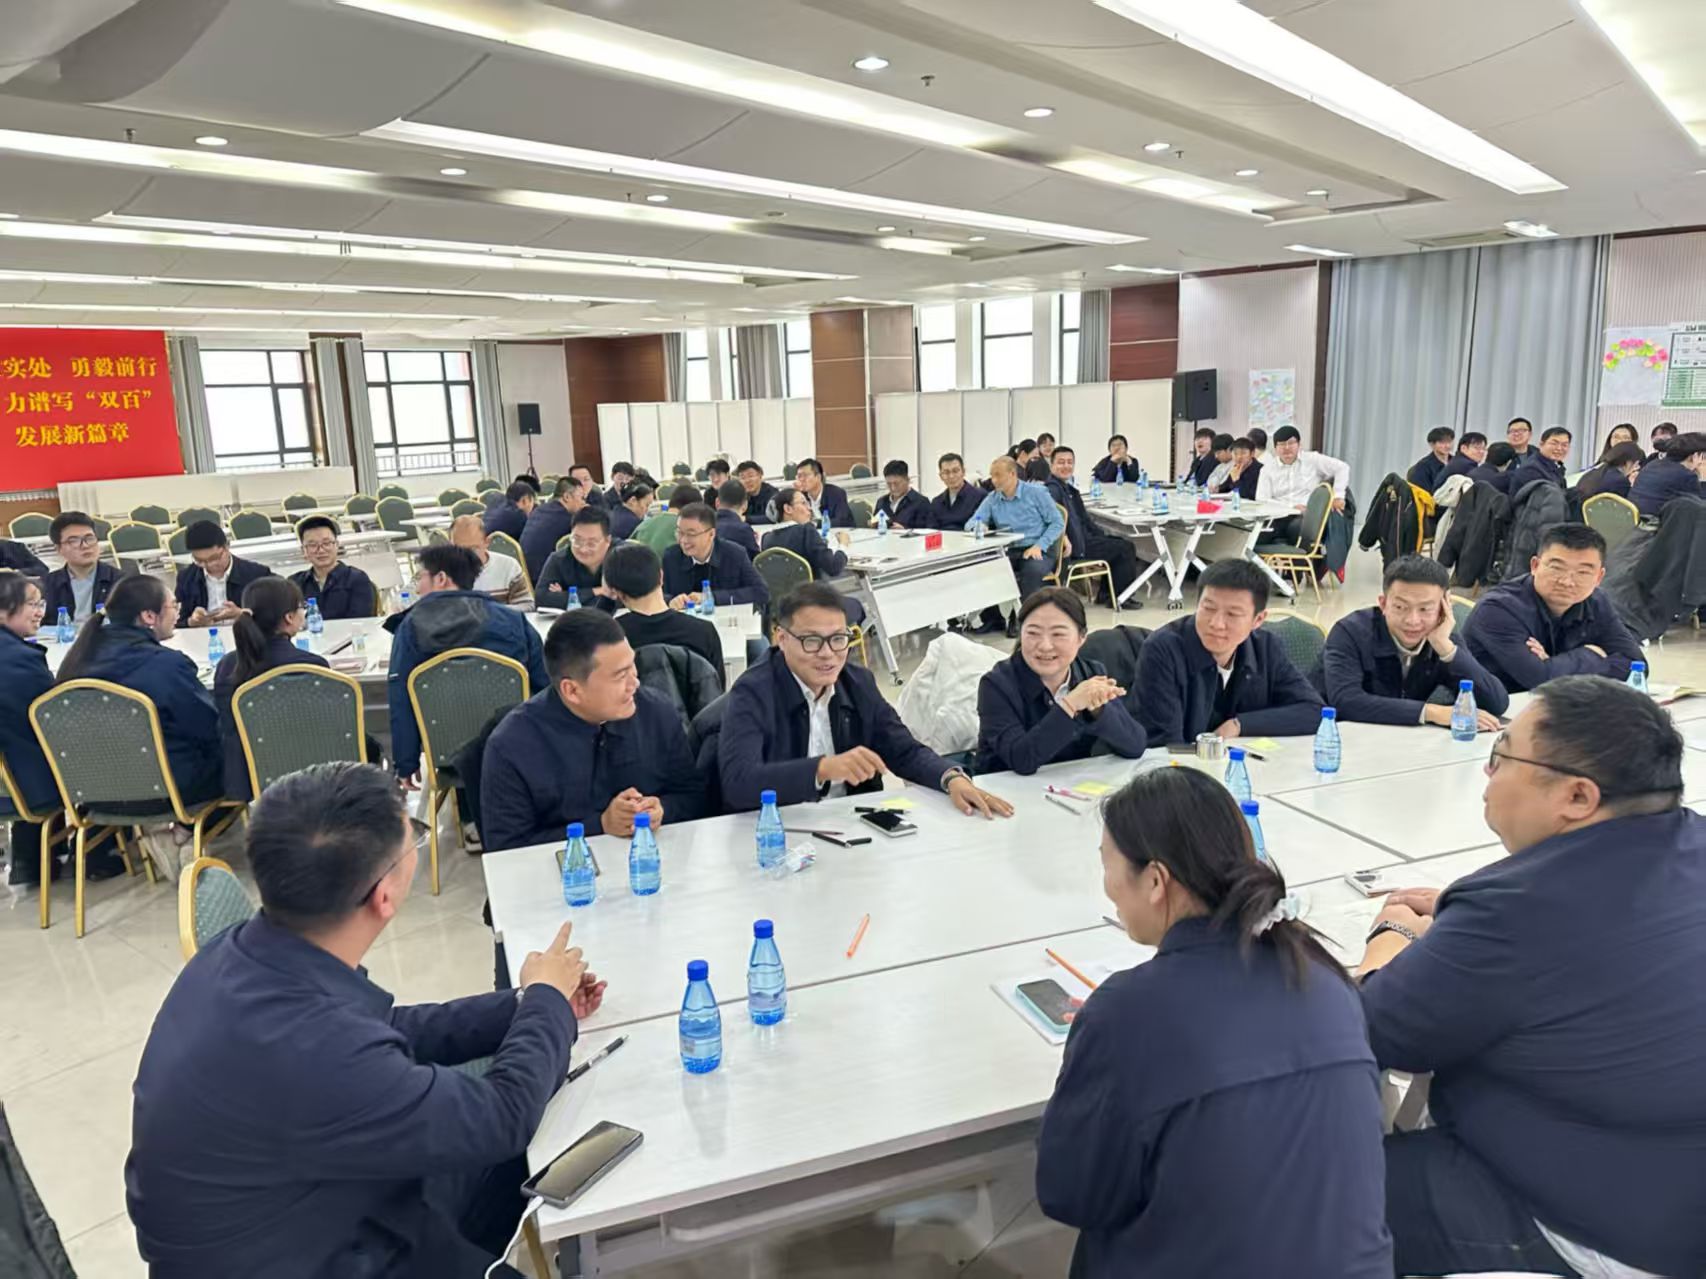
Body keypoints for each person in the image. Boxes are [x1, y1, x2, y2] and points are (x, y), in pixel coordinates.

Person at [126, 762, 604, 1278]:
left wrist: (524, 1003)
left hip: (304, 1209)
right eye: (413, 837)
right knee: (528, 1120)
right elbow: (501, 1117)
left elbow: (384, 1029)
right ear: (385, 894)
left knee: (538, 1116)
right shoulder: (320, 1050)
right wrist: (546, 1002)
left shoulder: (241, 953)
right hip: (314, 1252)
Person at [1356, 678, 1706, 1278]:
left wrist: (1390, 938)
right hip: (1674, 1191)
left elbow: (1362, 1030)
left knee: (1292, 1186)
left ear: (1577, 796)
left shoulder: (1512, 911)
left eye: (1502, 756)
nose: (1487, 772)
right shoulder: (1691, 840)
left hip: (1597, 1224)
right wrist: (1460, 923)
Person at [1038, 767, 1392, 1279]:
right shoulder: (1325, 979)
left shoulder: (1125, 1013)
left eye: (1107, 866)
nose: (1108, 888)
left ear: (1155, 881)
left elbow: (1071, 1194)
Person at [719, 583, 1013, 816]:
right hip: (779, 828)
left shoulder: (857, 683)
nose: (827, 654)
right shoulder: (753, 692)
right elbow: (738, 783)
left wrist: (950, 778)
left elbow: (903, 750)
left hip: (851, 822)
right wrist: (821, 769)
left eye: (838, 639)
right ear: (781, 639)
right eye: (811, 641)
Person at [480, 610, 704, 851]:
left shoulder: (657, 712)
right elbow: (506, 849)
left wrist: (661, 810)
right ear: (572, 690)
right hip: (565, 871)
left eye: (633, 666)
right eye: (620, 675)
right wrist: (600, 826)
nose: (635, 683)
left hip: (653, 861)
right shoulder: (513, 746)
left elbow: (693, 797)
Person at [386, 545, 548, 788]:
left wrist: (405, 762)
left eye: (421, 577)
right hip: (514, 747)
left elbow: (400, 695)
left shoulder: (410, 627)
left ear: (441, 578)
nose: (418, 588)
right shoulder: (514, 621)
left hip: (447, 754)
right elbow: (545, 685)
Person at [57, 573, 223, 806]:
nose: (178, 613)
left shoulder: (78, 661)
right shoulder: (165, 665)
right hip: (166, 791)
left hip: (94, 793)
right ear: (148, 616)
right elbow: (207, 728)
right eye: (173, 606)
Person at [0, 571, 119, 885]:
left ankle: (30, 860)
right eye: (31, 604)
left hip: (7, 780)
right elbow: (57, 721)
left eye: (41, 603)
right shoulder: (19, 660)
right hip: (28, 783)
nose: (39, 612)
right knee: (106, 749)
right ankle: (97, 853)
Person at [1134, 558, 1322, 743]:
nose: (1216, 623)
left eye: (1232, 614)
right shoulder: (1163, 650)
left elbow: (1314, 711)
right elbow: (1165, 745)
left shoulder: (1265, 648)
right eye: (1208, 608)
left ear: (1258, 620)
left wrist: (1239, 725)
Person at [1320, 556, 1506, 729]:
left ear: (1443, 609)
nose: (1412, 620)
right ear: (1383, 604)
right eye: (1400, 607)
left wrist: (1446, 649)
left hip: (1405, 741)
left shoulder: (1442, 638)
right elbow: (1346, 701)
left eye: (1425, 609)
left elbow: (1496, 703)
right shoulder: (1349, 632)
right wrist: (1430, 712)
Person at [975, 587, 1146, 774]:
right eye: (1033, 633)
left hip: (1069, 785)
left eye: (1058, 634)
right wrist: (1071, 704)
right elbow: (1022, 759)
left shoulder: (1090, 673)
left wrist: (1098, 710)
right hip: (1002, 787)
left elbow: (1136, 745)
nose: (1045, 646)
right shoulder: (996, 685)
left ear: (1081, 638)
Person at [1460, 523, 1644, 693]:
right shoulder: (1497, 610)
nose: (1567, 582)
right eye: (1557, 568)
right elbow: (1538, 679)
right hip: (1487, 710)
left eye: (1583, 572)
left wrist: (1552, 664)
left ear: (1599, 577)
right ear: (1535, 566)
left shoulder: (1596, 601)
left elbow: (1636, 666)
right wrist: (1591, 654)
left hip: (1559, 704)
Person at [213, 576, 328, 800]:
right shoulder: (311, 665)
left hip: (251, 780)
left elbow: (227, 727)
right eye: (301, 607)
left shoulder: (227, 665)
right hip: (313, 777)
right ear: (289, 617)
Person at [603, 542, 725, 686]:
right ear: (661, 576)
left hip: (636, 701)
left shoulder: (612, 637)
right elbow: (717, 688)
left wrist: (605, 599)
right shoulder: (703, 631)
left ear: (616, 592)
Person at [968, 456, 1065, 637]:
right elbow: (971, 522)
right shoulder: (993, 498)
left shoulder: (1036, 493)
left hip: (1038, 547)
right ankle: (994, 618)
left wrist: (1040, 545)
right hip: (1009, 549)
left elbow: (1057, 523)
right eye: (992, 475)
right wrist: (980, 526)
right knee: (987, 569)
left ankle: (1024, 619)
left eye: (998, 475)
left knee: (1031, 571)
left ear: (1012, 474)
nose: (993, 480)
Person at [1044, 445, 1138, 597]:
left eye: (1070, 462)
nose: (1066, 466)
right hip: (1076, 546)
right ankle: (1122, 597)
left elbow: (1085, 520)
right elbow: (1052, 520)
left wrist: (1102, 536)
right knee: (1125, 548)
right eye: (1061, 462)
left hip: (1083, 539)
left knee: (1118, 542)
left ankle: (1107, 595)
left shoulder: (1069, 490)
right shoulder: (1052, 490)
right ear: (1051, 465)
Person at [660, 503, 769, 610]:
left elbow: (761, 592)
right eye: (680, 533)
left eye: (691, 534)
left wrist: (711, 597)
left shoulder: (734, 554)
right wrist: (670, 601)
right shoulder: (671, 557)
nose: (683, 540)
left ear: (711, 534)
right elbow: (658, 594)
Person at [1253, 426, 1350, 542]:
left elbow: (1342, 468)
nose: (1287, 448)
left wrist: (1338, 496)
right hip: (1278, 516)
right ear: (1275, 448)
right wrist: (1290, 507)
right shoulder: (1267, 469)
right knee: (1253, 536)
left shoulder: (1312, 459)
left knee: (1297, 529)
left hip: (1305, 516)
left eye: (1291, 443)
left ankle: (1299, 553)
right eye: (1282, 444)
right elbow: (1262, 499)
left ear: (1299, 445)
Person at [175, 520, 274, 627]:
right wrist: (191, 622)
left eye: (214, 558)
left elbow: (275, 614)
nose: (209, 565)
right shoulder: (186, 578)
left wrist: (242, 615)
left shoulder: (256, 574)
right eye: (200, 561)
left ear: (227, 547)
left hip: (246, 634)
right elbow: (175, 621)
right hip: (203, 634)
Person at [41, 510, 125, 621]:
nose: (85, 546)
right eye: (74, 541)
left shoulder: (120, 582)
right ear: (59, 549)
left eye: (89, 538)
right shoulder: (47, 585)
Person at [535, 508, 619, 613]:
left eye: (591, 543)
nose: (583, 549)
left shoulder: (622, 557)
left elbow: (628, 599)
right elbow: (541, 599)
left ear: (608, 540)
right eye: (577, 541)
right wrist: (597, 591)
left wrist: (569, 597)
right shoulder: (559, 559)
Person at [290, 516, 376, 620]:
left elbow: (362, 622)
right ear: (303, 550)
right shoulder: (294, 584)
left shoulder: (357, 580)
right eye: (312, 545)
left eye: (326, 543)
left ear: (337, 545)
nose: (321, 550)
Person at [450, 515, 533, 609]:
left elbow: (527, 605)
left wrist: (493, 612)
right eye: (459, 549)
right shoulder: (442, 572)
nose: (465, 555)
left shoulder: (509, 566)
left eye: (473, 549)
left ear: (486, 542)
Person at [519, 475, 587, 583]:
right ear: (567, 497)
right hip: (545, 579)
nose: (584, 503)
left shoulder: (539, 510)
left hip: (526, 577)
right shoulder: (567, 519)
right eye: (581, 498)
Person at [1629, 429, 1706, 518]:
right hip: (1655, 523)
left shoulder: (1653, 464)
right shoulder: (1686, 475)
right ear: (1695, 456)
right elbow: (1700, 507)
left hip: (1634, 520)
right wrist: (1703, 477)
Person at [1572, 440, 1644, 501]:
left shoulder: (1592, 473)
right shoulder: (1621, 482)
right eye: (1636, 465)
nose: (1636, 468)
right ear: (1628, 463)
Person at [792, 457, 854, 527]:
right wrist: (795, 494)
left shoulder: (836, 494)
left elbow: (841, 521)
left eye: (805, 475)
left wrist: (815, 524)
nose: (802, 479)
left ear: (818, 477)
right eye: (799, 476)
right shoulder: (801, 496)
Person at [930, 452, 982, 530]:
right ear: (941, 476)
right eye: (946, 472)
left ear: (963, 472)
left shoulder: (980, 496)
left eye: (955, 471)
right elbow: (931, 530)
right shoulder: (936, 502)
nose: (951, 476)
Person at [874, 459, 931, 528]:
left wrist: (905, 530)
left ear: (907, 480)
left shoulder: (921, 502)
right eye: (889, 484)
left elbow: (927, 530)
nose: (893, 488)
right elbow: (875, 525)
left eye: (896, 484)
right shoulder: (881, 502)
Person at [713, 479, 759, 557]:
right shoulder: (743, 529)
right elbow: (756, 560)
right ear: (745, 505)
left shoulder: (705, 526)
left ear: (717, 502)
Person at [1407, 426, 1457, 491]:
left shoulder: (1457, 462)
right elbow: (1423, 492)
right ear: (1432, 444)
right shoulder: (1423, 466)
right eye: (1442, 442)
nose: (1447, 446)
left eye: (1449, 442)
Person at [735, 460, 779, 525]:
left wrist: (746, 519)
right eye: (743, 478)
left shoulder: (772, 493)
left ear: (760, 476)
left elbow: (773, 518)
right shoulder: (740, 495)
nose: (747, 480)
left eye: (751, 476)